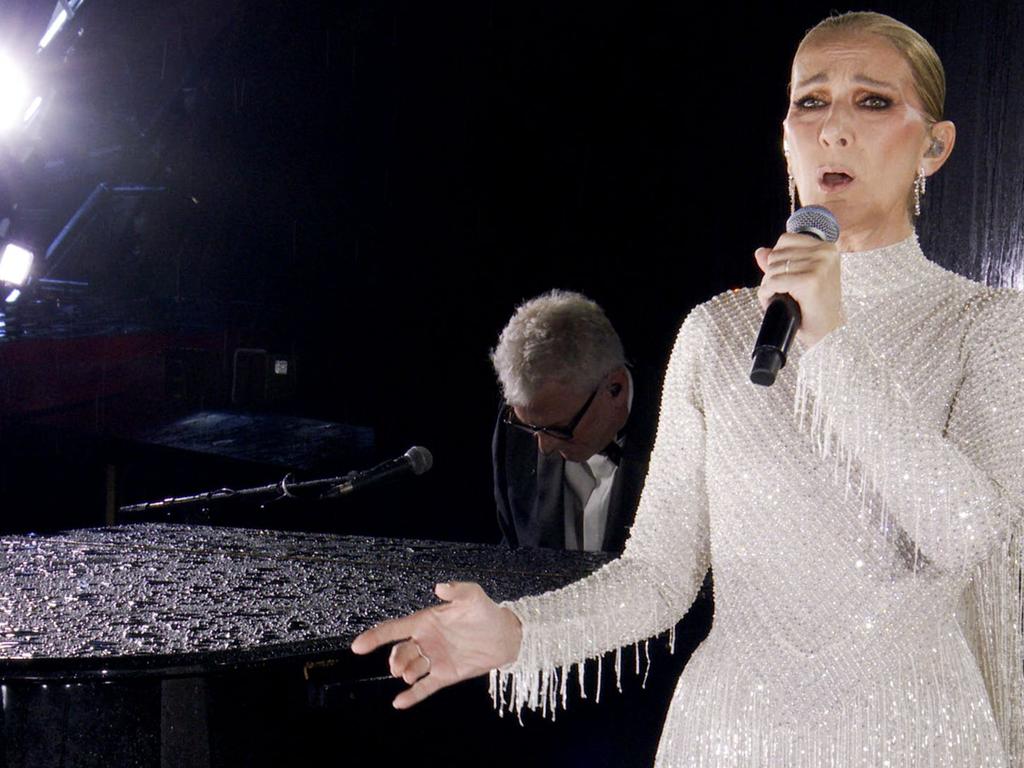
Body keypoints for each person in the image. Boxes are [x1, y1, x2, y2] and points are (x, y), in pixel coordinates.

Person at [353, 12, 1023, 767]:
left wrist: (832, 342)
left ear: (933, 147)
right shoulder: (717, 331)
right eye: (812, 101)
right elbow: (659, 575)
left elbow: (972, 533)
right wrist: (519, 632)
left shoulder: (985, 324)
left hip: (916, 737)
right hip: (728, 735)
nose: (835, 128)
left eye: (872, 101)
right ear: (784, 137)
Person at [490, 289, 659, 553]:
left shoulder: (685, 429)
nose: (543, 447)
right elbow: (515, 553)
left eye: (558, 429)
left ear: (616, 388)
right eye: (531, 427)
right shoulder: (518, 428)